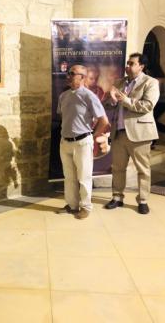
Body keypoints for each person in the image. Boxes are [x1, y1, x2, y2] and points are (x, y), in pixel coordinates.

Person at [104, 53, 160, 214]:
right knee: (117, 168)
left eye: (131, 63)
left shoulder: (150, 82)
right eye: (127, 63)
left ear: (141, 66)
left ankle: (143, 200)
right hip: (119, 133)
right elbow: (108, 105)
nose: (127, 66)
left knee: (143, 169)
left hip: (140, 134)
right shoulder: (119, 82)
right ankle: (117, 197)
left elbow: (148, 105)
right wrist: (112, 100)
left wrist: (126, 100)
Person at [57, 65, 109, 219]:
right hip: (65, 142)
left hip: (82, 143)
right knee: (69, 177)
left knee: (84, 177)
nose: (68, 76)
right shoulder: (63, 96)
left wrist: (92, 136)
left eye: (72, 73)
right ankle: (72, 205)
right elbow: (64, 117)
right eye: (68, 73)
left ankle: (86, 207)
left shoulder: (89, 96)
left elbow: (103, 120)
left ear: (82, 77)